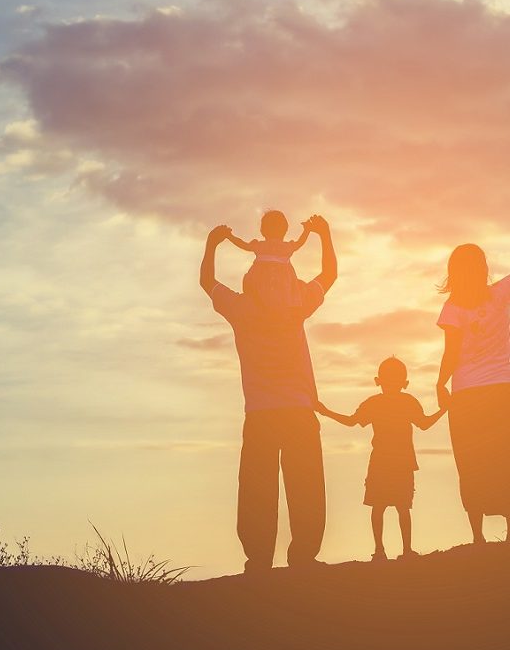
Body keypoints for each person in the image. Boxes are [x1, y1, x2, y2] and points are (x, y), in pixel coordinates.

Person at [199, 214, 337, 575]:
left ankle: (258, 559)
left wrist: (213, 244)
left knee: (258, 488)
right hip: (298, 411)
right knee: (305, 483)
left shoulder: (242, 308)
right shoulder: (298, 304)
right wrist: (324, 236)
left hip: (261, 412)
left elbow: (207, 282)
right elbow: (330, 276)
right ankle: (304, 557)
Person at [317, 357, 445, 561]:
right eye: (390, 379)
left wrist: (325, 411)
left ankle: (395, 551)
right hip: (387, 463)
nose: (392, 384)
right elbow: (425, 424)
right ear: (380, 381)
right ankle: (388, 551)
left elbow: (352, 422)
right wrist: (445, 409)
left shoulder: (389, 402)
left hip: (394, 463)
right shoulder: (390, 402)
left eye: (395, 380)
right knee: (387, 507)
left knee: (393, 507)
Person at [436, 244, 510, 544]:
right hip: (503, 391)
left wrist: (440, 384)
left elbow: (451, 352)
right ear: (482, 267)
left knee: (471, 463)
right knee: (505, 459)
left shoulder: (452, 308)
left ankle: (477, 536)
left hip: (467, 395)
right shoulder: (502, 293)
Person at [226, 210, 314, 307]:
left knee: (250, 285)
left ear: (262, 230)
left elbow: (243, 245)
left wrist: (230, 236)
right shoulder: (286, 247)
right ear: (285, 230)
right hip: (282, 289)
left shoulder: (260, 246)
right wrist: (307, 230)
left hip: (259, 287)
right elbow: (300, 242)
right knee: (292, 289)